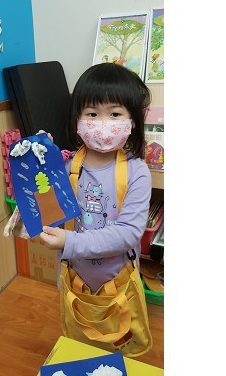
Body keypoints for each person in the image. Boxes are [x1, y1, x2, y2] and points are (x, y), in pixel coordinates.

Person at [39, 62, 152, 297]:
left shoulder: (137, 172)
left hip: (119, 287)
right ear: (77, 119)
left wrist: (69, 242)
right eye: (92, 114)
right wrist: (42, 163)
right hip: (73, 280)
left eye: (115, 114)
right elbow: (49, 214)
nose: (103, 123)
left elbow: (128, 233)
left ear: (132, 120)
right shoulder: (67, 165)